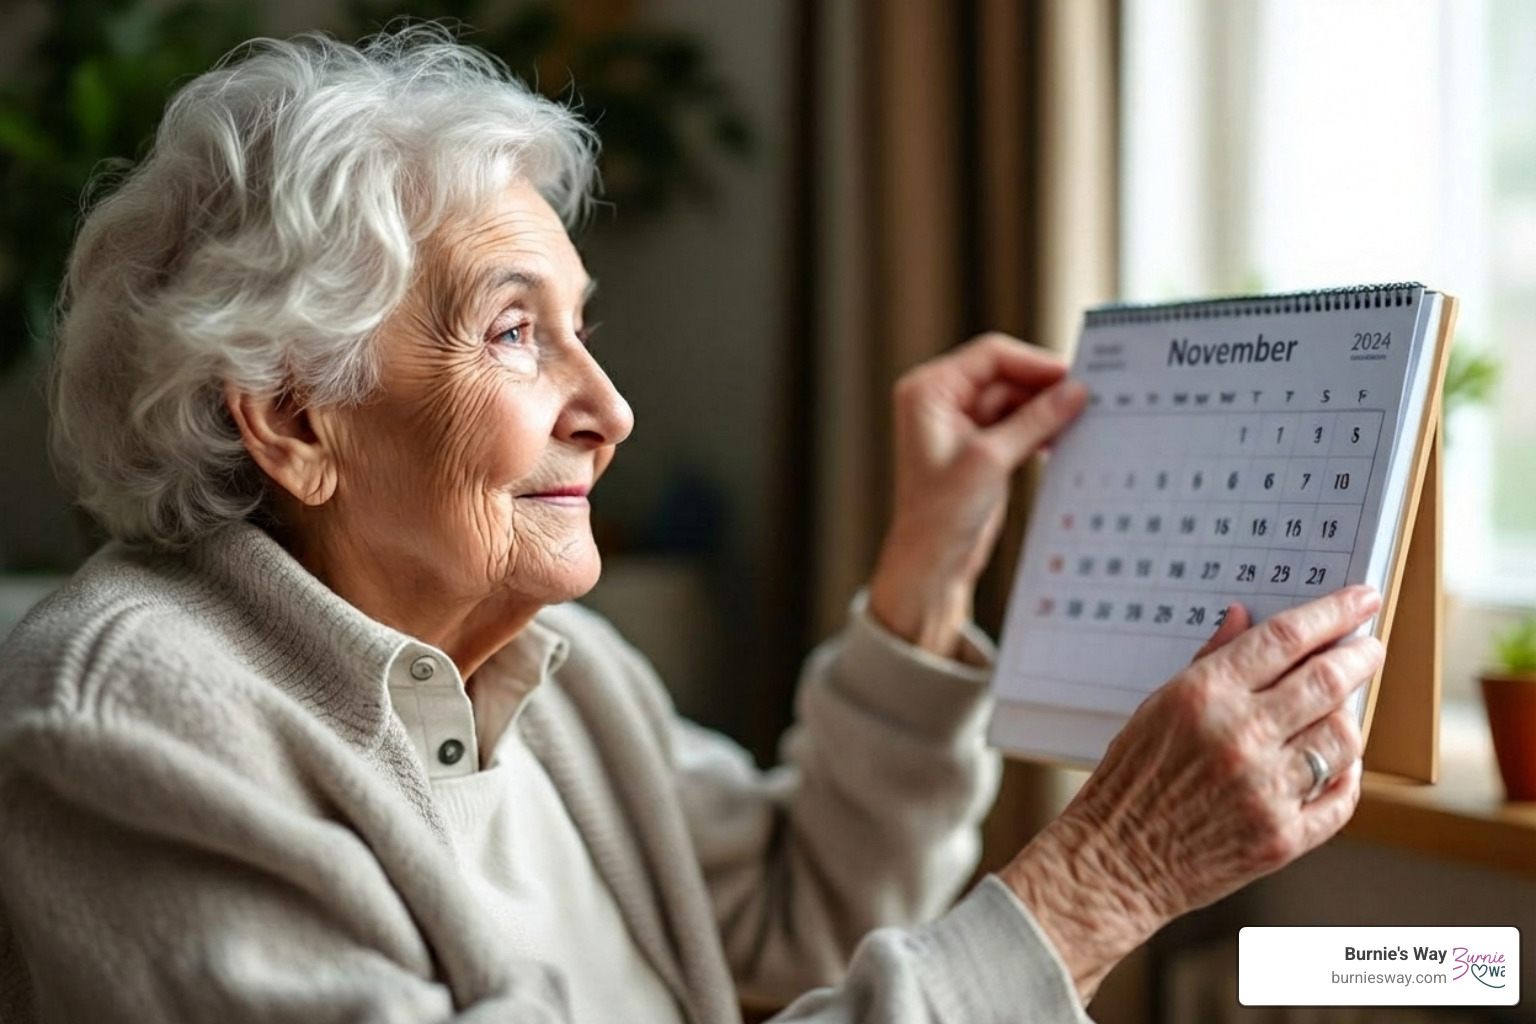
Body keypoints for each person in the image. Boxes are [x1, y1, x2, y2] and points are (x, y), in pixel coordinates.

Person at [0, 26, 1382, 1023]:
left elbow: (811, 910)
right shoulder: (127, 723)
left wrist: (930, 563)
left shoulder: (549, 665)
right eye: (514, 331)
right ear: (294, 420)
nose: (609, 407)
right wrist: (1102, 882)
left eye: (580, 328)